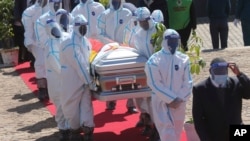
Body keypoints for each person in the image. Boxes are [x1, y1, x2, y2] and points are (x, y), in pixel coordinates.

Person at [144, 29, 193, 141]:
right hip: (161, 102)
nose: (173, 43)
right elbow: (154, 83)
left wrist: (179, 99)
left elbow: (188, 82)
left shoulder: (184, 59)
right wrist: (170, 99)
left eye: (176, 40)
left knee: (177, 130)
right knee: (167, 132)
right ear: (164, 41)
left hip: (180, 102)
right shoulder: (154, 60)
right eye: (170, 40)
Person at [192, 57, 250, 141]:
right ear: (210, 72)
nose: (221, 74)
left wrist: (240, 75)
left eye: (223, 71)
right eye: (218, 72)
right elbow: (198, 119)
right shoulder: (200, 89)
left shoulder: (236, 83)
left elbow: (248, 94)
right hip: (214, 135)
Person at [97, 0, 137, 113]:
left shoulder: (127, 13)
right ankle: (111, 100)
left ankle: (130, 103)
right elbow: (100, 33)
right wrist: (111, 43)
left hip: (125, 48)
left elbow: (131, 31)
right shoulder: (104, 15)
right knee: (110, 74)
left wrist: (125, 44)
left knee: (129, 74)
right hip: (108, 49)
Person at [60, 14, 95, 141]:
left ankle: (88, 130)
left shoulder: (85, 41)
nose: (84, 29)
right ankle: (74, 130)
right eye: (81, 27)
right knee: (71, 107)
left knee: (86, 106)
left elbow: (88, 59)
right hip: (72, 81)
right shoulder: (69, 43)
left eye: (85, 26)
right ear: (75, 27)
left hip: (84, 80)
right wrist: (89, 80)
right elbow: (78, 63)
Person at [133, 7, 159, 138]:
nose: (143, 24)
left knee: (154, 102)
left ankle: (157, 129)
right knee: (142, 99)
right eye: (140, 22)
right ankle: (148, 122)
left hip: (159, 72)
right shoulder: (138, 34)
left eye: (145, 21)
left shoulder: (159, 30)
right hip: (145, 71)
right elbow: (138, 51)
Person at [44, 19, 69, 141]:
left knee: (68, 103)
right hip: (56, 80)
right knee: (59, 104)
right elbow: (57, 66)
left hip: (66, 78)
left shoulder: (64, 38)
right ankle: (62, 129)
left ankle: (70, 126)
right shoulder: (49, 46)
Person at [22, 0, 49, 101]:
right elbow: (28, 30)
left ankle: (50, 88)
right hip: (36, 43)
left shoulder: (52, 8)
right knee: (41, 63)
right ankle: (42, 88)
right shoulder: (29, 12)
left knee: (51, 64)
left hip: (50, 42)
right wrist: (29, 42)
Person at [13, 0, 35, 65]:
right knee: (22, 41)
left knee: (32, 40)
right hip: (22, 21)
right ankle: (22, 58)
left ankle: (31, 58)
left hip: (33, 20)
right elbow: (16, 8)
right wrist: (18, 20)